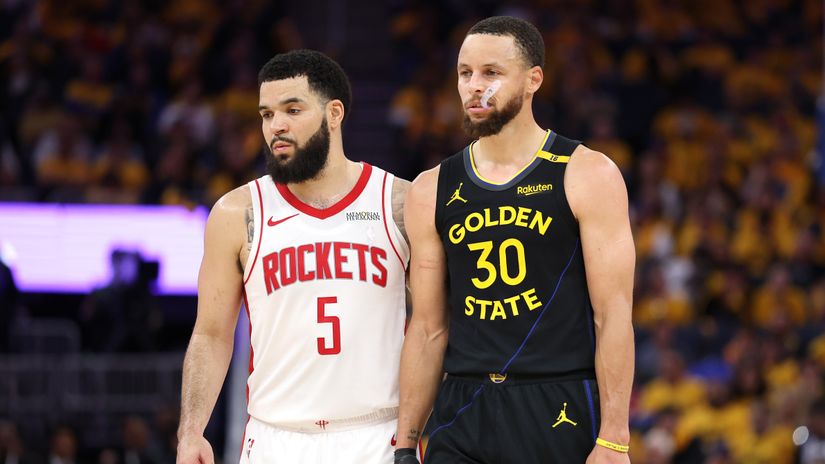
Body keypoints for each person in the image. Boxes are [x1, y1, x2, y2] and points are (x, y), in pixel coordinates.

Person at [394, 16, 635, 464]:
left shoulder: (587, 173)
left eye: (491, 73)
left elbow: (613, 315)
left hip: (556, 403)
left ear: (532, 80)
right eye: (465, 73)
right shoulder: (430, 188)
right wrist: (406, 443)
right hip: (462, 407)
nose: (473, 86)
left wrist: (615, 437)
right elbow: (428, 328)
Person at [177, 50, 411, 464]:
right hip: (276, 438)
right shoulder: (237, 214)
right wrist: (191, 431)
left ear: (334, 113)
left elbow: (435, 326)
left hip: (378, 435)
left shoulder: (400, 203)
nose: (276, 126)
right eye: (267, 114)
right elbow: (211, 335)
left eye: (292, 109)